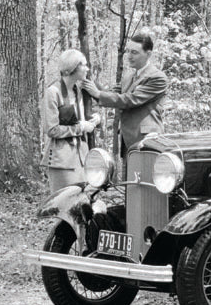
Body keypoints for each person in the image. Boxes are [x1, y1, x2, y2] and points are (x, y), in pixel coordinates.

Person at [82, 32, 169, 157]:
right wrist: (88, 81)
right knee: (129, 176)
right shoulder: (129, 76)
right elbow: (112, 94)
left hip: (148, 140)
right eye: (128, 51)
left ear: (148, 54)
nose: (129, 56)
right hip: (127, 140)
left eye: (134, 52)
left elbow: (130, 100)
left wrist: (97, 93)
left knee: (147, 175)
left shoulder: (158, 78)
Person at [41, 49, 100, 192]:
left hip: (82, 158)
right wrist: (80, 128)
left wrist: (96, 119)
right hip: (62, 160)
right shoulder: (53, 93)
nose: (87, 68)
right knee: (63, 204)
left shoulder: (79, 91)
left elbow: (82, 119)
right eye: (83, 65)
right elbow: (51, 130)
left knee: (83, 203)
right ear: (72, 68)